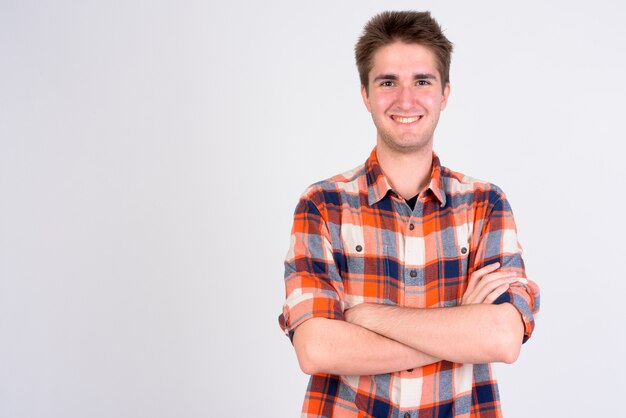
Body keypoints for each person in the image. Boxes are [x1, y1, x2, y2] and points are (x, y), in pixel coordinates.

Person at [279, 10, 540, 418]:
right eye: (388, 82)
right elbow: (315, 348)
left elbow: (501, 339)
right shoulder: (321, 205)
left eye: (422, 81)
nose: (406, 100)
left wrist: (363, 318)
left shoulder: (486, 204)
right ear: (365, 94)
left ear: (444, 93)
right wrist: (458, 326)